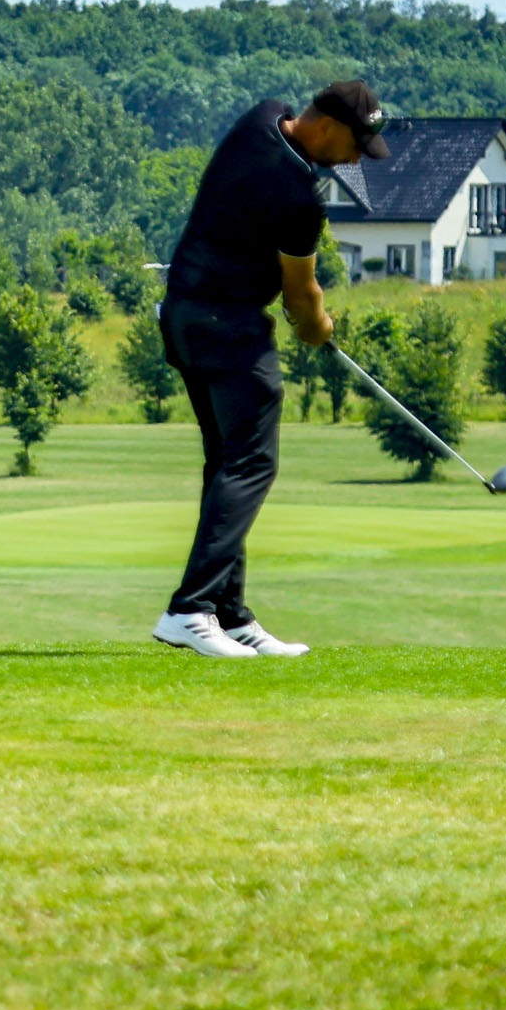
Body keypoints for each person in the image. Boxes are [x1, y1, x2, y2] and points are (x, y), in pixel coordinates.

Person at [152, 79, 390, 658]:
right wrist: (320, 327)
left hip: (183, 316)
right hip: (229, 329)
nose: (356, 160)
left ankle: (228, 614)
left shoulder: (260, 118)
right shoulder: (300, 198)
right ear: (327, 126)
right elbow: (302, 298)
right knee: (252, 463)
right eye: (356, 145)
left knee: (227, 465)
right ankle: (189, 610)